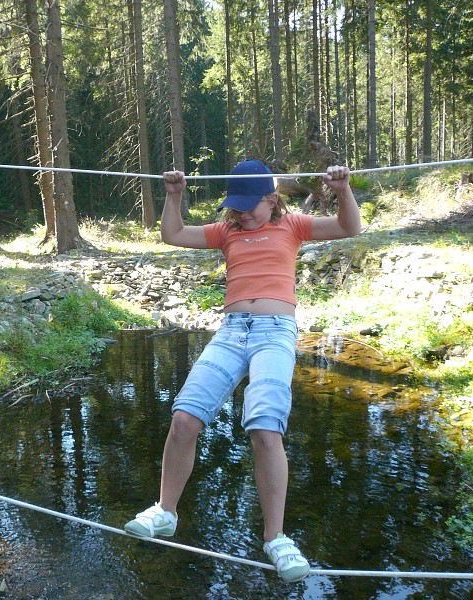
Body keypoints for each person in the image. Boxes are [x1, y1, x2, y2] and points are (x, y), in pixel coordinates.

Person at [124, 158, 361, 583]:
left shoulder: (294, 226)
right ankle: (165, 511)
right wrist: (174, 196)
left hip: (275, 331)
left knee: (265, 428)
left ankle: (275, 538)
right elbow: (173, 234)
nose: (242, 214)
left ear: (272, 199)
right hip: (231, 331)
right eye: (236, 206)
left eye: (250, 206)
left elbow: (349, 227)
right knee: (184, 418)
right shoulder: (227, 231)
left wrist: (343, 191)